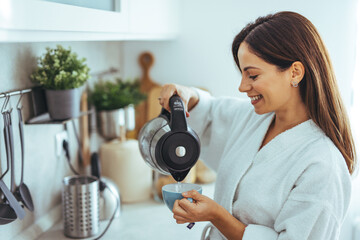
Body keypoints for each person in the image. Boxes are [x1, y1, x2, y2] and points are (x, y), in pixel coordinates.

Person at [157, 11, 357, 240]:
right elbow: (210, 113)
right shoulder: (253, 119)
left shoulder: (323, 166)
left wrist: (218, 217)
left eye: (252, 76)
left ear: (295, 72)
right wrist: (187, 94)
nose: (242, 87)